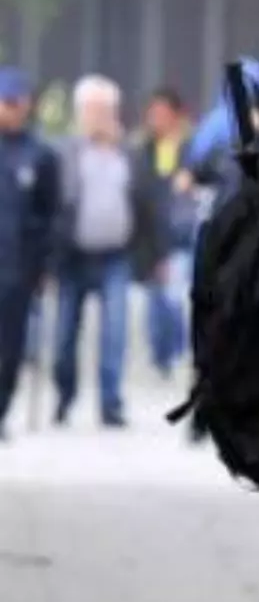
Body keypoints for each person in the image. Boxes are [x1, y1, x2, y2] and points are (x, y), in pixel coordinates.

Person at [53, 74, 167, 428]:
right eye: (92, 109)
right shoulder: (64, 153)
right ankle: (65, 395)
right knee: (63, 338)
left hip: (115, 255)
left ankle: (110, 403)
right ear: (80, 112)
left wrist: (157, 255)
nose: (99, 116)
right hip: (73, 256)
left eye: (106, 109)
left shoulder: (130, 154)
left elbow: (150, 205)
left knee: (115, 332)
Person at [0, 68, 59, 442]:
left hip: (18, 270)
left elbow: (49, 216)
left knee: (10, 349)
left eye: (20, 103)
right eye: (8, 102)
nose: (15, 109)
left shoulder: (41, 156)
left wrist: (45, 267)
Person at [138, 85, 195, 379]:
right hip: (152, 236)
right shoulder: (144, 150)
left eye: (161, 113)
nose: (155, 119)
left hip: (180, 235)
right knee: (155, 301)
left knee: (174, 297)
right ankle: (161, 355)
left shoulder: (191, 147)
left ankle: (175, 351)